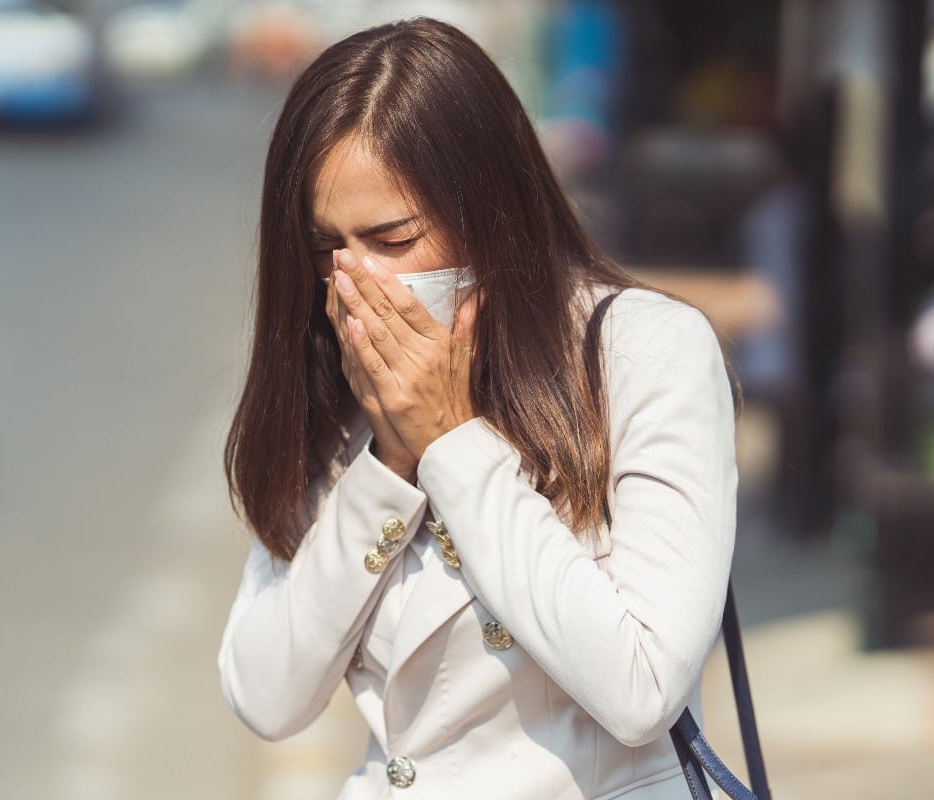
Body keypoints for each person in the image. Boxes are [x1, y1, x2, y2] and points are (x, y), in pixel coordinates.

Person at [219, 17, 738, 800]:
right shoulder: (335, 377)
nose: (357, 279)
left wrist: (452, 441)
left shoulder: (642, 352)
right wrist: (388, 466)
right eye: (331, 245)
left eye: (393, 239)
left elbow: (642, 688)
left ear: (488, 214)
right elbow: (267, 694)